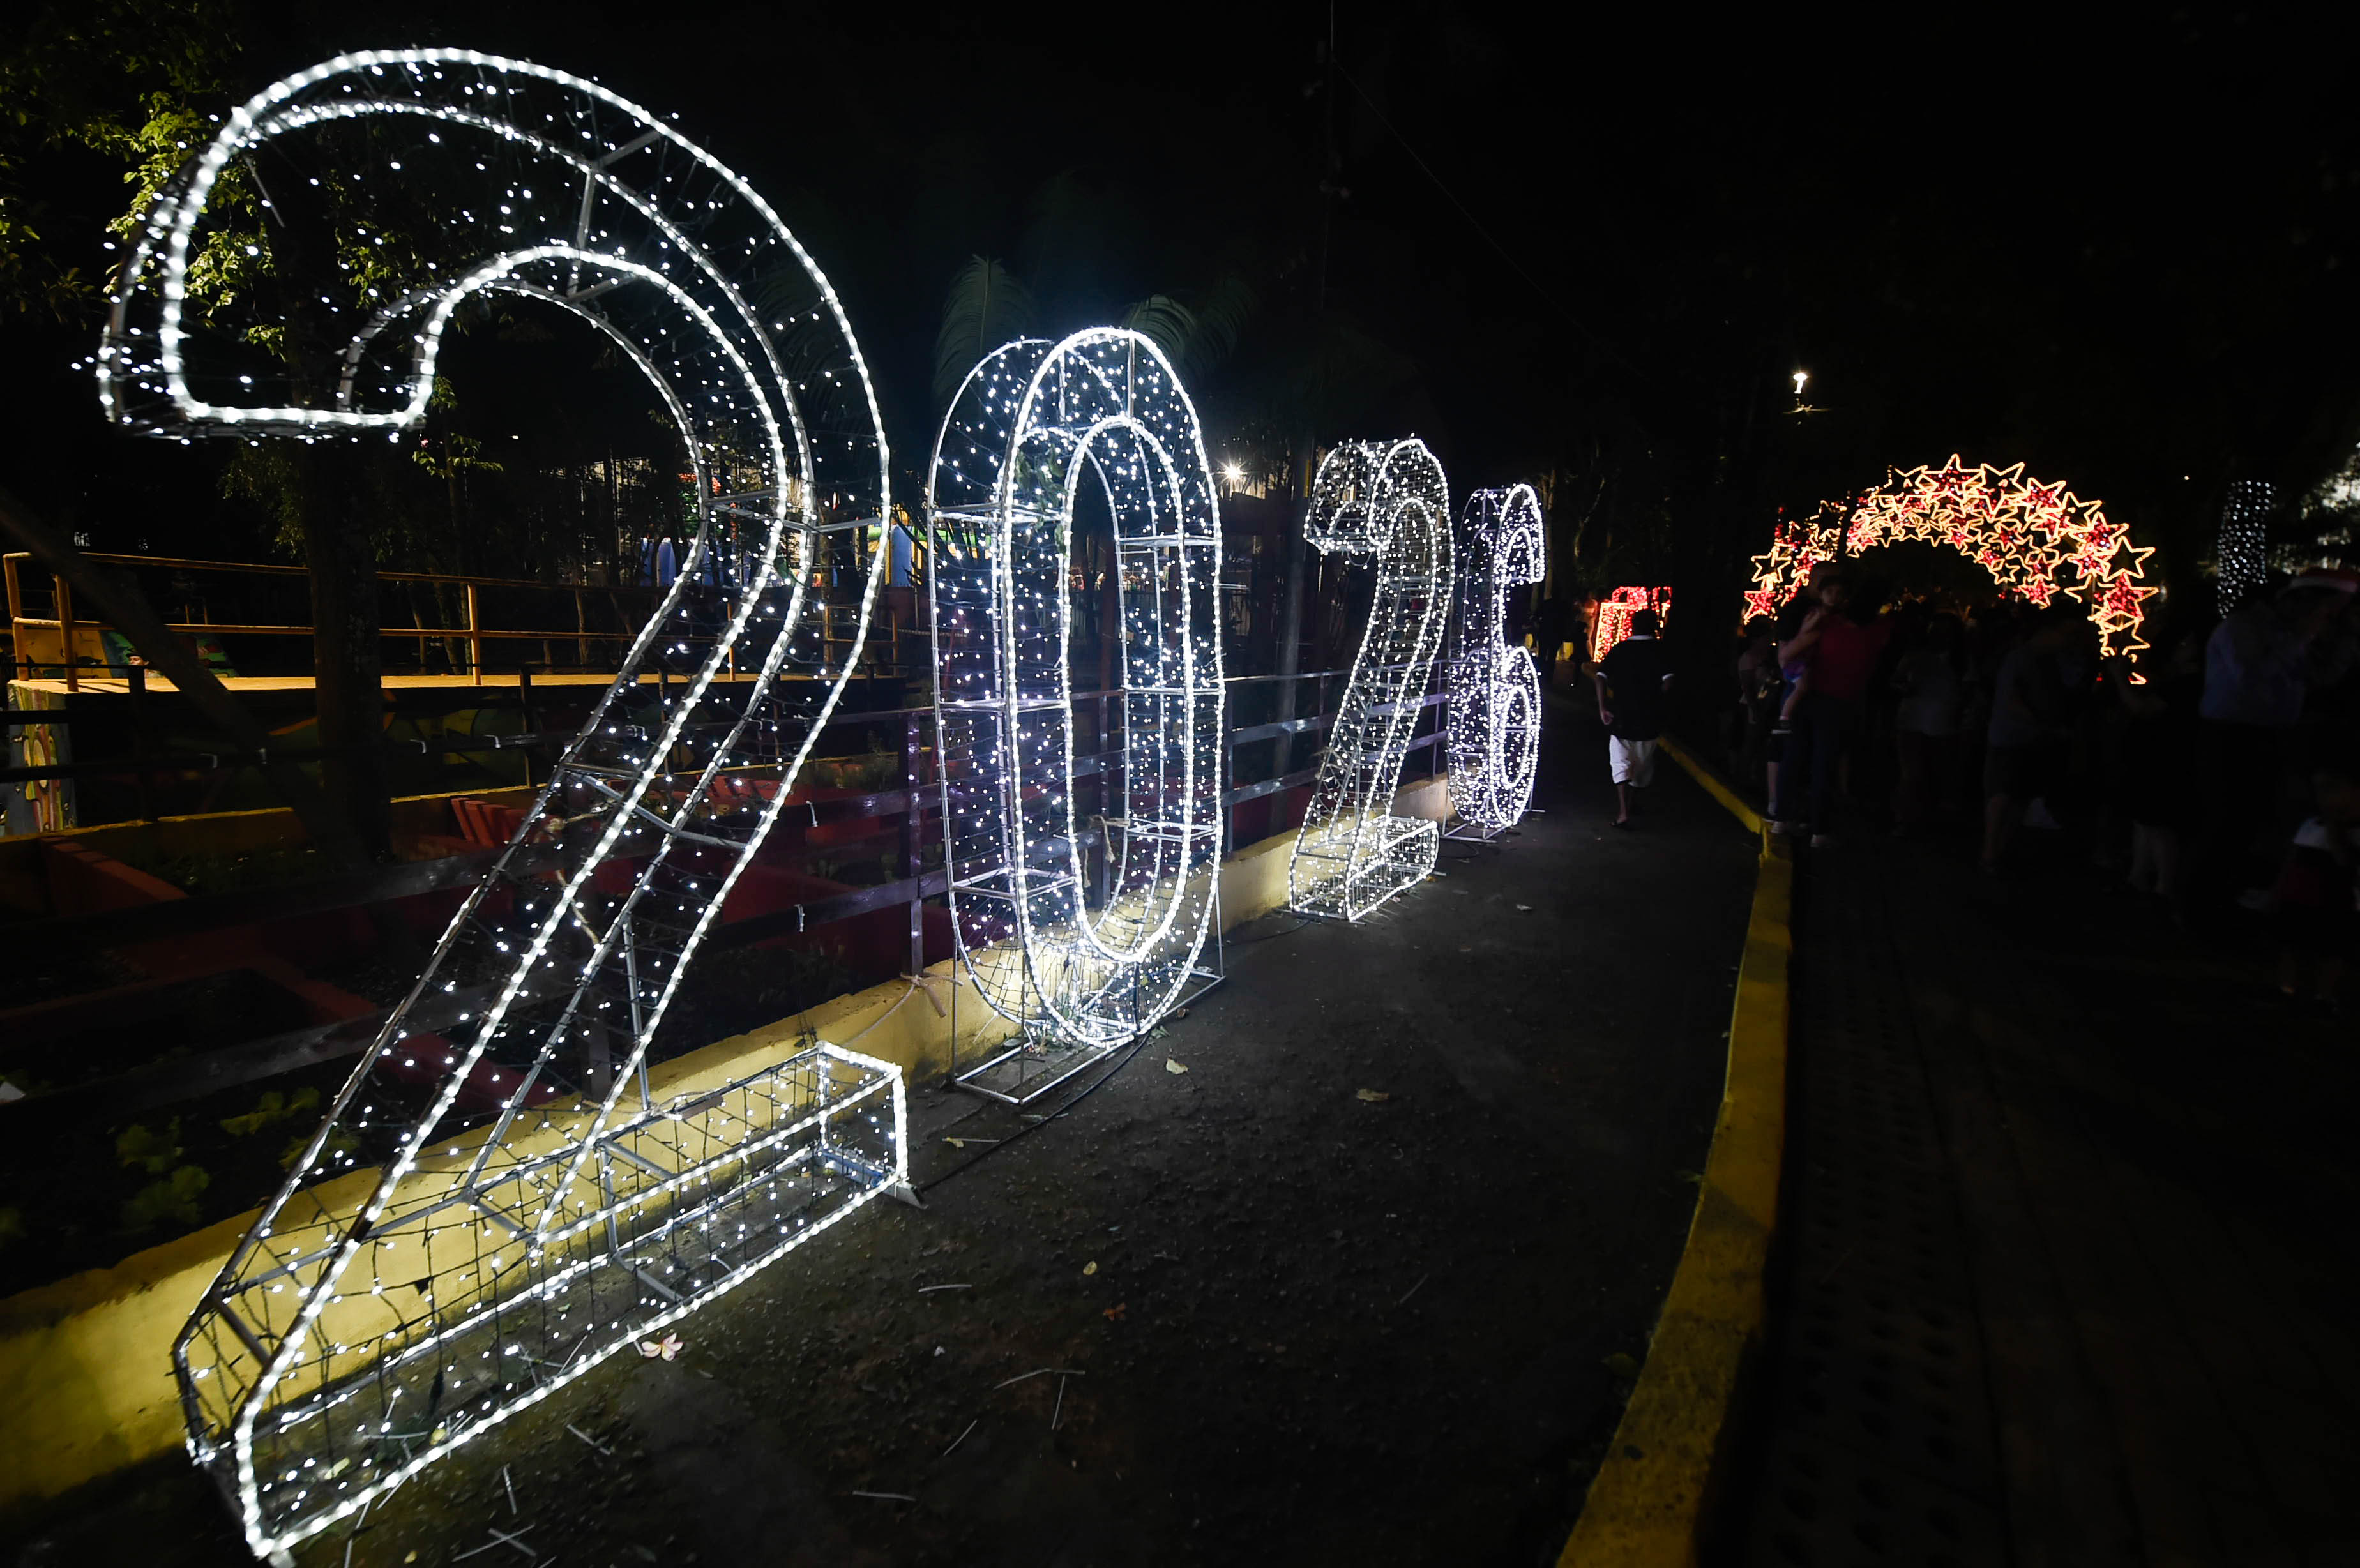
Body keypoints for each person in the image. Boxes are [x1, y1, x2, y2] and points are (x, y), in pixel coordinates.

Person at [2197, 569, 2360, 903]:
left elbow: (2319, 678)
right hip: (2233, 734)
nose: (2330, 620)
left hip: (2275, 732)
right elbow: (2250, 677)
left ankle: (2229, 894)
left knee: (2254, 819)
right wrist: (2303, 637)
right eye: (2329, 612)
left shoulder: (2298, 635)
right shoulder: (2245, 627)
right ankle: (2200, 899)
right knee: (2226, 818)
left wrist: (2343, 642)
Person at [1772, 567, 1893, 846]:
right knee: (1823, 764)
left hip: (1812, 696)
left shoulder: (1831, 624)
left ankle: (1783, 817)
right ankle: (1818, 828)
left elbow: (1787, 654)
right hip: (1839, 702)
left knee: (1795, 757)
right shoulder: (1879, 630)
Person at [1979, 607, 2093, 874]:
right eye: (2068, 633)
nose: (2070, 640)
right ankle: (1991, 851)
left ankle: (1998, 849)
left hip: (2033, 738)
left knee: (2018, 795)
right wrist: (2046, 724)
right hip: (2014, 736)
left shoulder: (2051, 659)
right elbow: (2011, 699)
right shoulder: (2022, 658)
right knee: (2004, 794)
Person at [2273, 759, 2360, 1013]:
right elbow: (2292, 861)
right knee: (2292, 943)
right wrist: (2278, 891)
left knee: (2331, 949)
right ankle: (2287, 989)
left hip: (2336, 901)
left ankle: (2324, 996)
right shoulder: (2311, 825)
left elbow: (2345, 861)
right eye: (2319, 789)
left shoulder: (2350, 831)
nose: (2322, 795)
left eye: (2331, 788)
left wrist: (2335, 830)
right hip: (2299, 897)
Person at [1594, 608, 1675, 827]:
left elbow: (1600, 677)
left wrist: (1602, 707)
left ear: (1632, 626)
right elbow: (1668, 682)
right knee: (1642, 766)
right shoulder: (1661, 651)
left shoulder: (1620, 650)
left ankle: (1623, 811)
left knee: (1620, 763)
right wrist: (1654, 699)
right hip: (1649, 719)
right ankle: (1630, 805)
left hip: (1621, 715)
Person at [1891, 613, 1965, 833]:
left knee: (1931, 773)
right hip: (1915, 721)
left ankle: (1920, 819)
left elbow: (1968, 690)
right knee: (1913, 774)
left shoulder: (1960, 660)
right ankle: (1907, 820)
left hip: (1940, 722)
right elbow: (1895, 681)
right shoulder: (1917, 657)